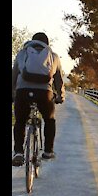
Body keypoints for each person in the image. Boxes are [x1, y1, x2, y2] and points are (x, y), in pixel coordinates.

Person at [12, 32, 65, 165]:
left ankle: (18, 152)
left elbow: (14, 75)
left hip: (22, 92)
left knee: (20, 121)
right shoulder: (53, 56)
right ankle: (48, 151)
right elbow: (58, 80)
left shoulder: (22, 53)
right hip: (44, 94)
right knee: (49, 119)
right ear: (47, 44)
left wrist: (13, 93)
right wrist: (60, 96)